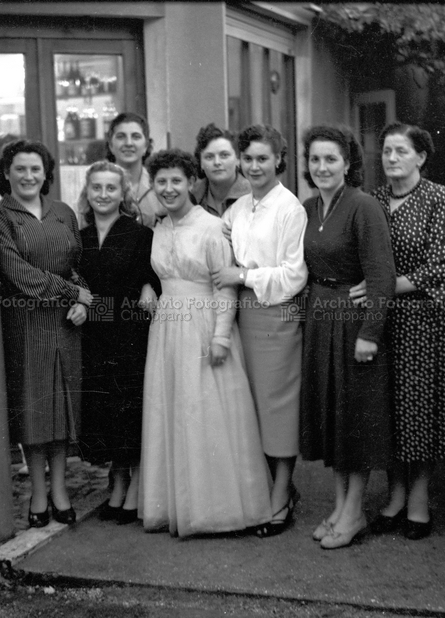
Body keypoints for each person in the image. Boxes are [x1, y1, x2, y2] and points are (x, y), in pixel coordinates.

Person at [139, 149, 272, 537]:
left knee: (206, 412)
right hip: (166, 329)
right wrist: (148, 284)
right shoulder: (159, 228)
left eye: (176, 181)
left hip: (203, 325)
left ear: (190, 183)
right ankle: (176, 504)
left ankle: (216, 510)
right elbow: (157, 271)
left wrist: (219, 336)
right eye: (160, 182)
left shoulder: (211, 227)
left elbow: (224, 286)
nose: (168, 188)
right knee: (173, 410)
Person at [354, 121, 445, 541]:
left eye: (401, 151)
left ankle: (419, 499)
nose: (391, 159)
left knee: (420, 411)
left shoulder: (441, 199)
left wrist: (383, 286)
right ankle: (396, 495)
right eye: (386, 151)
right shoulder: (373, 200)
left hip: (425, 319)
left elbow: (440, 266)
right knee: (389, 409)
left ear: (420, 157)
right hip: (383, 320)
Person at [297, 126, 396, 549]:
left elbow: (382, 275)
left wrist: (370, 333)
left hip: (355, 324)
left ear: (348, 164)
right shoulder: (307, 207)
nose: (322, 167)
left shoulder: (363, 206)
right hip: (321, 319)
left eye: (331, 159)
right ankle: (339, 506)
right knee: (334, 418)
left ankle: (354, 513)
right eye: (315, 159)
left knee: (354, 420)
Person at [213, 125, 308, 538]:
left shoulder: (291, 209)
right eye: (248, 158)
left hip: (276, 316)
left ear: (279, 161)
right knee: (250, 407)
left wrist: (243, 274)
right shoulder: (238, 208)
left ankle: (281, 495)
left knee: (277, 408)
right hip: (242, 317)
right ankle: (272, 487)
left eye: (262, 159)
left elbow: (294, 274)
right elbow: (218, 244)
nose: (254, 166)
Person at [0, 139, 91, 528]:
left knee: (62, 410)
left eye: (35, 169)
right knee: (34, 410)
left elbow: (78, 267)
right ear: (6, 173)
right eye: (20, 168)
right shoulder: (0, 216)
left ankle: (61, 490)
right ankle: (37, 492)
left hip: (66, 324)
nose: (28, 176)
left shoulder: (64, 213)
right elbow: (17, 273)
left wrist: (83, 301)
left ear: (46, 173)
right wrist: (72, 292)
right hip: (25, 322)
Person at [77, 160, 160, 525]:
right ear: (87, 192)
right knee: (107, 409)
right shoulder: (78, 238)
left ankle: (133, 484)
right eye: (97, 188)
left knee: (129, 407)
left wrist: (147, 285)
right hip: (94, 334)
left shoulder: (139, 233)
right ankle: (119, 480)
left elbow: (154, 277)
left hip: (128, 332)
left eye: (111, 188)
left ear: (123, 193)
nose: (104, 195)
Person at [105, 112, 164, 228]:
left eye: (136, 136)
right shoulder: (98, 187)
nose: (128, 143)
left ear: (146, 146)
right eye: (121, 136)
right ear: (111, 145)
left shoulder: (160, 186)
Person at [191, 123, 251, 217]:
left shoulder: (254, 195)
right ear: (201, 163)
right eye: (209, 157)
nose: (217, 162)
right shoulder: (190, 197)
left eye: (224, 155)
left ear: (238, 159)